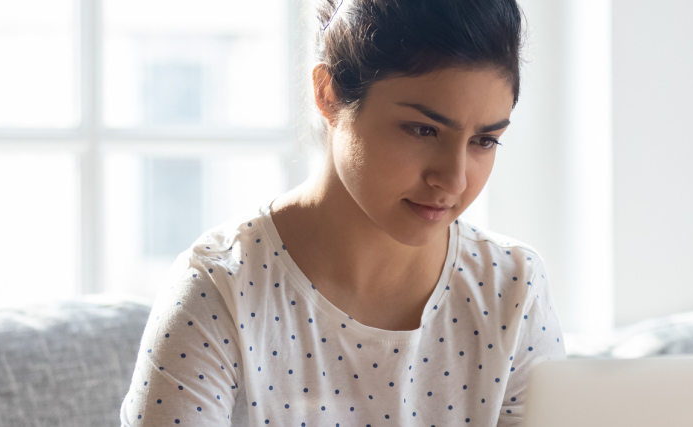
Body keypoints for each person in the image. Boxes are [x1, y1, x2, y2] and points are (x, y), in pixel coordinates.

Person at [118, 0, 565, 425]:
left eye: (484, 141)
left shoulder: (513, 288)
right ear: (328, 94)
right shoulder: (219, 291)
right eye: (422, 130)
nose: (454, 179)